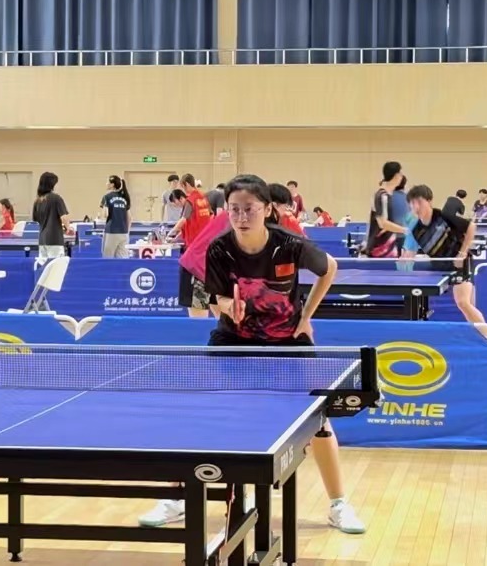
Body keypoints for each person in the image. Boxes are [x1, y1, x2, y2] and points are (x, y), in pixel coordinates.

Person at [138, 174, 365, 535]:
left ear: (267, 209)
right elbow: (216, 298)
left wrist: (306, 317)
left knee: (318, 421)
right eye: (234, 209)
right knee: (202, 411)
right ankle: (178, 498)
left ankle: (339, 504)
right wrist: (228, 306)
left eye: (250, 209)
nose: (242, 217)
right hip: (235, 339)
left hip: (287, 339)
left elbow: (330, 268)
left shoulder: (289, 245)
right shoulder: (219, 248)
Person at [406, 185, 487, 325]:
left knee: (463, 303)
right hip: (440, 269)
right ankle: (480, 333)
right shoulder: (416, 230)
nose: (416, 206)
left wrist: (462, 253)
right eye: (412, 203)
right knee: (468, 307)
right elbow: (411, 253)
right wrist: (407, 259)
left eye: (419, 202)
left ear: (429, 201)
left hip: (459, 265)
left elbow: (471, 227)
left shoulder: (444, 216)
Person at [166, 174, 214, 318]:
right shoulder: (203, 198)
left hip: (194, 252)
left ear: (186, 184)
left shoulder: (191, 200)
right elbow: (204, 220)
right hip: (206, 248)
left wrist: (170, 233)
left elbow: (183, 220)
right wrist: (175, 239)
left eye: (182, 186)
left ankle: (198, 322)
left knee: (195, 292)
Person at [366, 162, 409, 258]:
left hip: (389, 247)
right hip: (379, 250)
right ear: (396, 176)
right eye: (400, 174)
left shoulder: (388, 196)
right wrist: (405, 230)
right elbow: (383, 223)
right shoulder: (382, 196)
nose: (401, 176)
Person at [32, 172, 70, 259]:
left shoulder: (37, 201)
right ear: (52, 184)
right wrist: (68, 228)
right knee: (56, 265)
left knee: (44, 266)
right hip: (55, 240)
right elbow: (63, 217)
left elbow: (36, 219)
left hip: (42, 241)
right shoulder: (56, 198)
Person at [100, 176, 130, 258]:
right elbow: (130, 217)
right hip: (124, 233)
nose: (106, 184)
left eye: (107, 182)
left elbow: (105, 215)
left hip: (111, 231)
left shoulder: (107, 197)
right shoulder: (125, 198)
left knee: (108, 258)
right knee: (122, 259)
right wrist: (127, 231)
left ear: (112, 184)